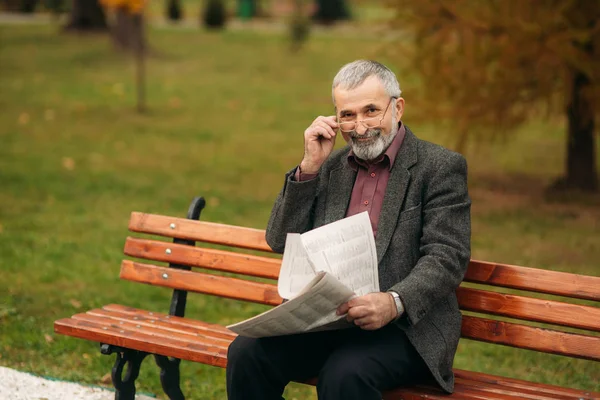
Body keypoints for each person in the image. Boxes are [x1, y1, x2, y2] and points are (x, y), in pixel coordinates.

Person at [226, 60, 471, 400]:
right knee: (247, 352)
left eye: (371, 111)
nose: (360, 127)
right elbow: (278, 239)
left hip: (405, 328)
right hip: (330, 320)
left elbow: (447, 256)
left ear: (397, 107)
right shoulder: (331, 167)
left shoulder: (439, 167)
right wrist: (309, 167)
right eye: (347, 115)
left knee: (344, 375)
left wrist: (393, 302)